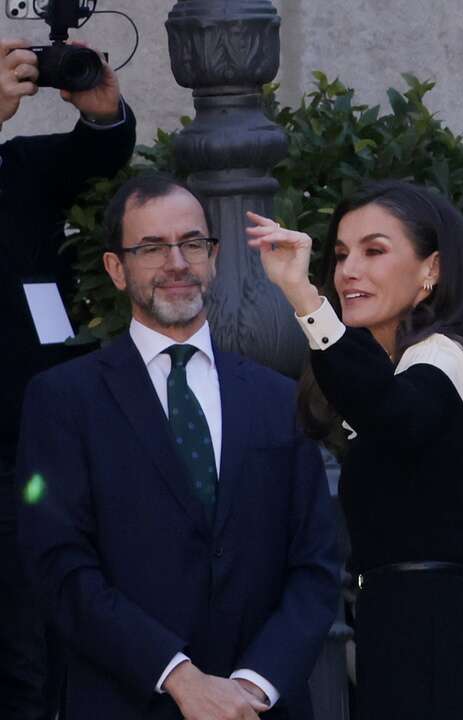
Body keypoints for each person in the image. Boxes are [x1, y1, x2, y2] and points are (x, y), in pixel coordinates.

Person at [16, 174, 340, 719]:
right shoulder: (62, 400)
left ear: (213, 258)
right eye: (150, 248)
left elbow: (315, 564)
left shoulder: (278, 399)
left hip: (260, 709)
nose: (177, 263)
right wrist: (178, 676)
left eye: (193, 243)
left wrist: (254, 687)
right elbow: (58, 564)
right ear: (116, 270)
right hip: (124, 701)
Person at [248, 181, 463, 719]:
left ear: (432, 269)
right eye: (343, 254)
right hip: (397, 632)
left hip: (438, 642)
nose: (349, 270)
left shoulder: (445, 356)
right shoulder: (391, 373)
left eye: (374, 251)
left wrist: (306, 299)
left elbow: (394, 413)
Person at [0, 38, 135, 719]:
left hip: (41, 443)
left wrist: (102, 111)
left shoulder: (20, 168)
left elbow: (99, 156)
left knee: (52, 638)